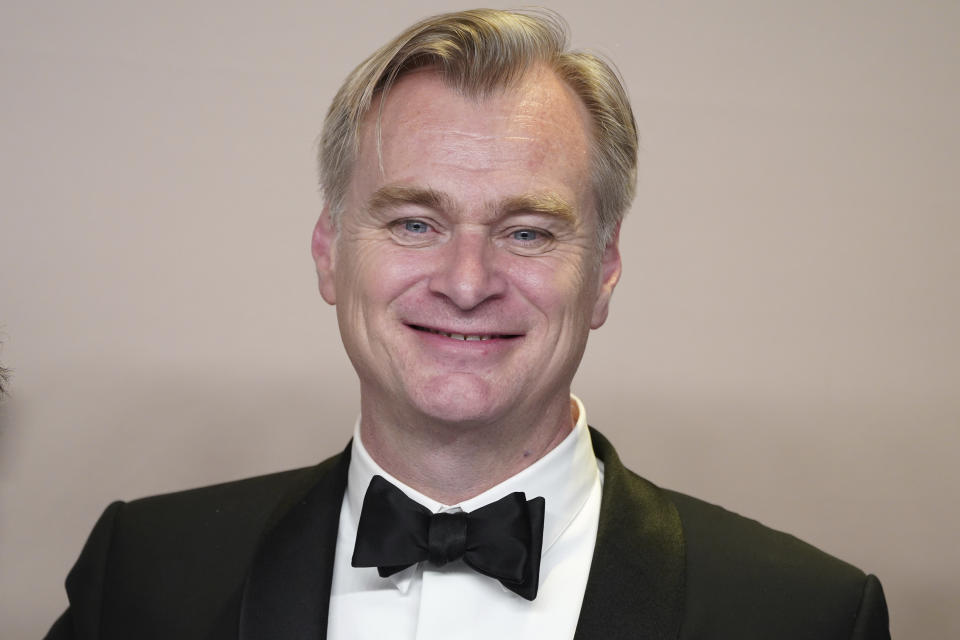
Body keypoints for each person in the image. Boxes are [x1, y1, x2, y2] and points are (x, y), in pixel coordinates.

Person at [46, 9, 890, 639]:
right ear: (329, 255)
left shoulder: (806, 615)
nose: (466, 282)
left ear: (603, 271)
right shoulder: (143, 574)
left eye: (528, 231)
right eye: (415, 222)